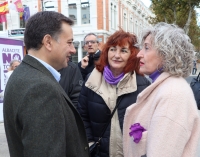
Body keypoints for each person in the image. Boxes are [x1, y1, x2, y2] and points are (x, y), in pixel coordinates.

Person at [3, 11, 89, 157]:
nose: (73, 50)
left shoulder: (24, 74)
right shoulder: (40, 88)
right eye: (69, 42)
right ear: (48, 42)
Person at [123, 22, 200, 157]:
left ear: (166, 53)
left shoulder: (172, 94)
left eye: (147, 48)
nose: (139, 54)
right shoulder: (167, 87)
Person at [77, 30, 150, 157]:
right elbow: (82, 116)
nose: (116, 55)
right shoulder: (91, 79)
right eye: (112, 49)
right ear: (106, 52)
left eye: (123, 51)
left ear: (132, 55)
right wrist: (89, 142)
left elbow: (149, 121)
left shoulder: (142, 83)